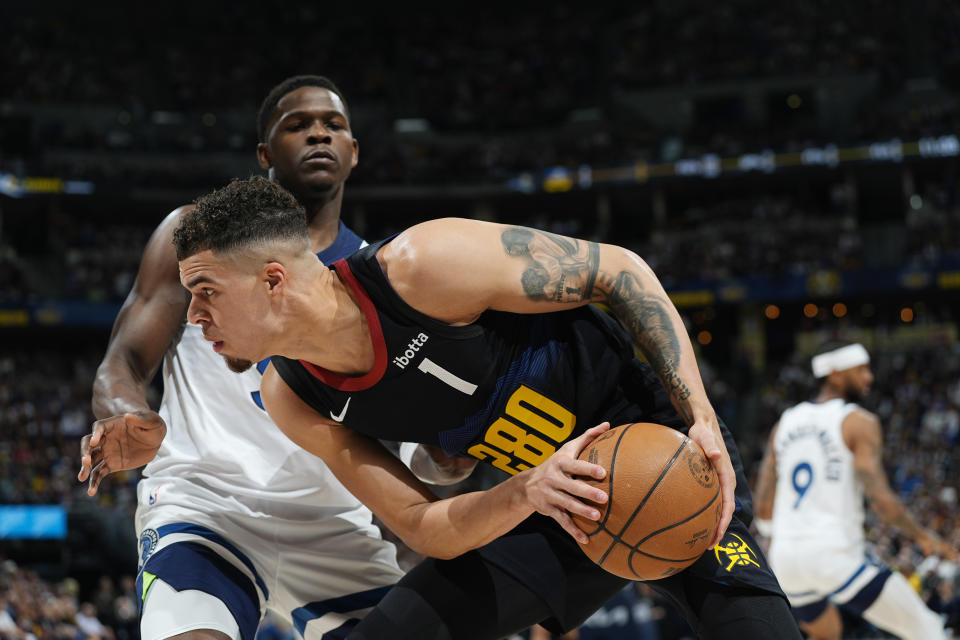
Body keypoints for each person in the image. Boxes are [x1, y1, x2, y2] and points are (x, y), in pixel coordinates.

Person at [170, 175, 803, 640]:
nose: (193, 315)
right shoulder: (292, 394)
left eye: (205, 292)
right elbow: (422, 526)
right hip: (553, 503)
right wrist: (529, 491)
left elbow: (620, 271)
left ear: (273, 280)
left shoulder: (422, 267)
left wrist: (701, 421)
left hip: (660, 457)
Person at [77, 75, 468, 640]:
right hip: (207, 504)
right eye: (298, 125)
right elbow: (124, 362)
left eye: (333, 125)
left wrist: (447, 459)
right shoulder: (194, 236)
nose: (318, 135)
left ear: (354, 152)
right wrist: (123, 412)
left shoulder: (383, 280)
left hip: (336, 525)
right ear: (265, 154)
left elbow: (414, 446)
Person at [753, 340, 957, 640]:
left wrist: (786, 535)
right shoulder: (858, 421)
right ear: (835, 372)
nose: (869, 378)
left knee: (828, 634)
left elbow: (763, 509)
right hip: (833, 555)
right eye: (861, 369)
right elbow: (882, 501)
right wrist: (924, 537)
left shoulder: (784, 423)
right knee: (929, 630)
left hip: (785, 561)